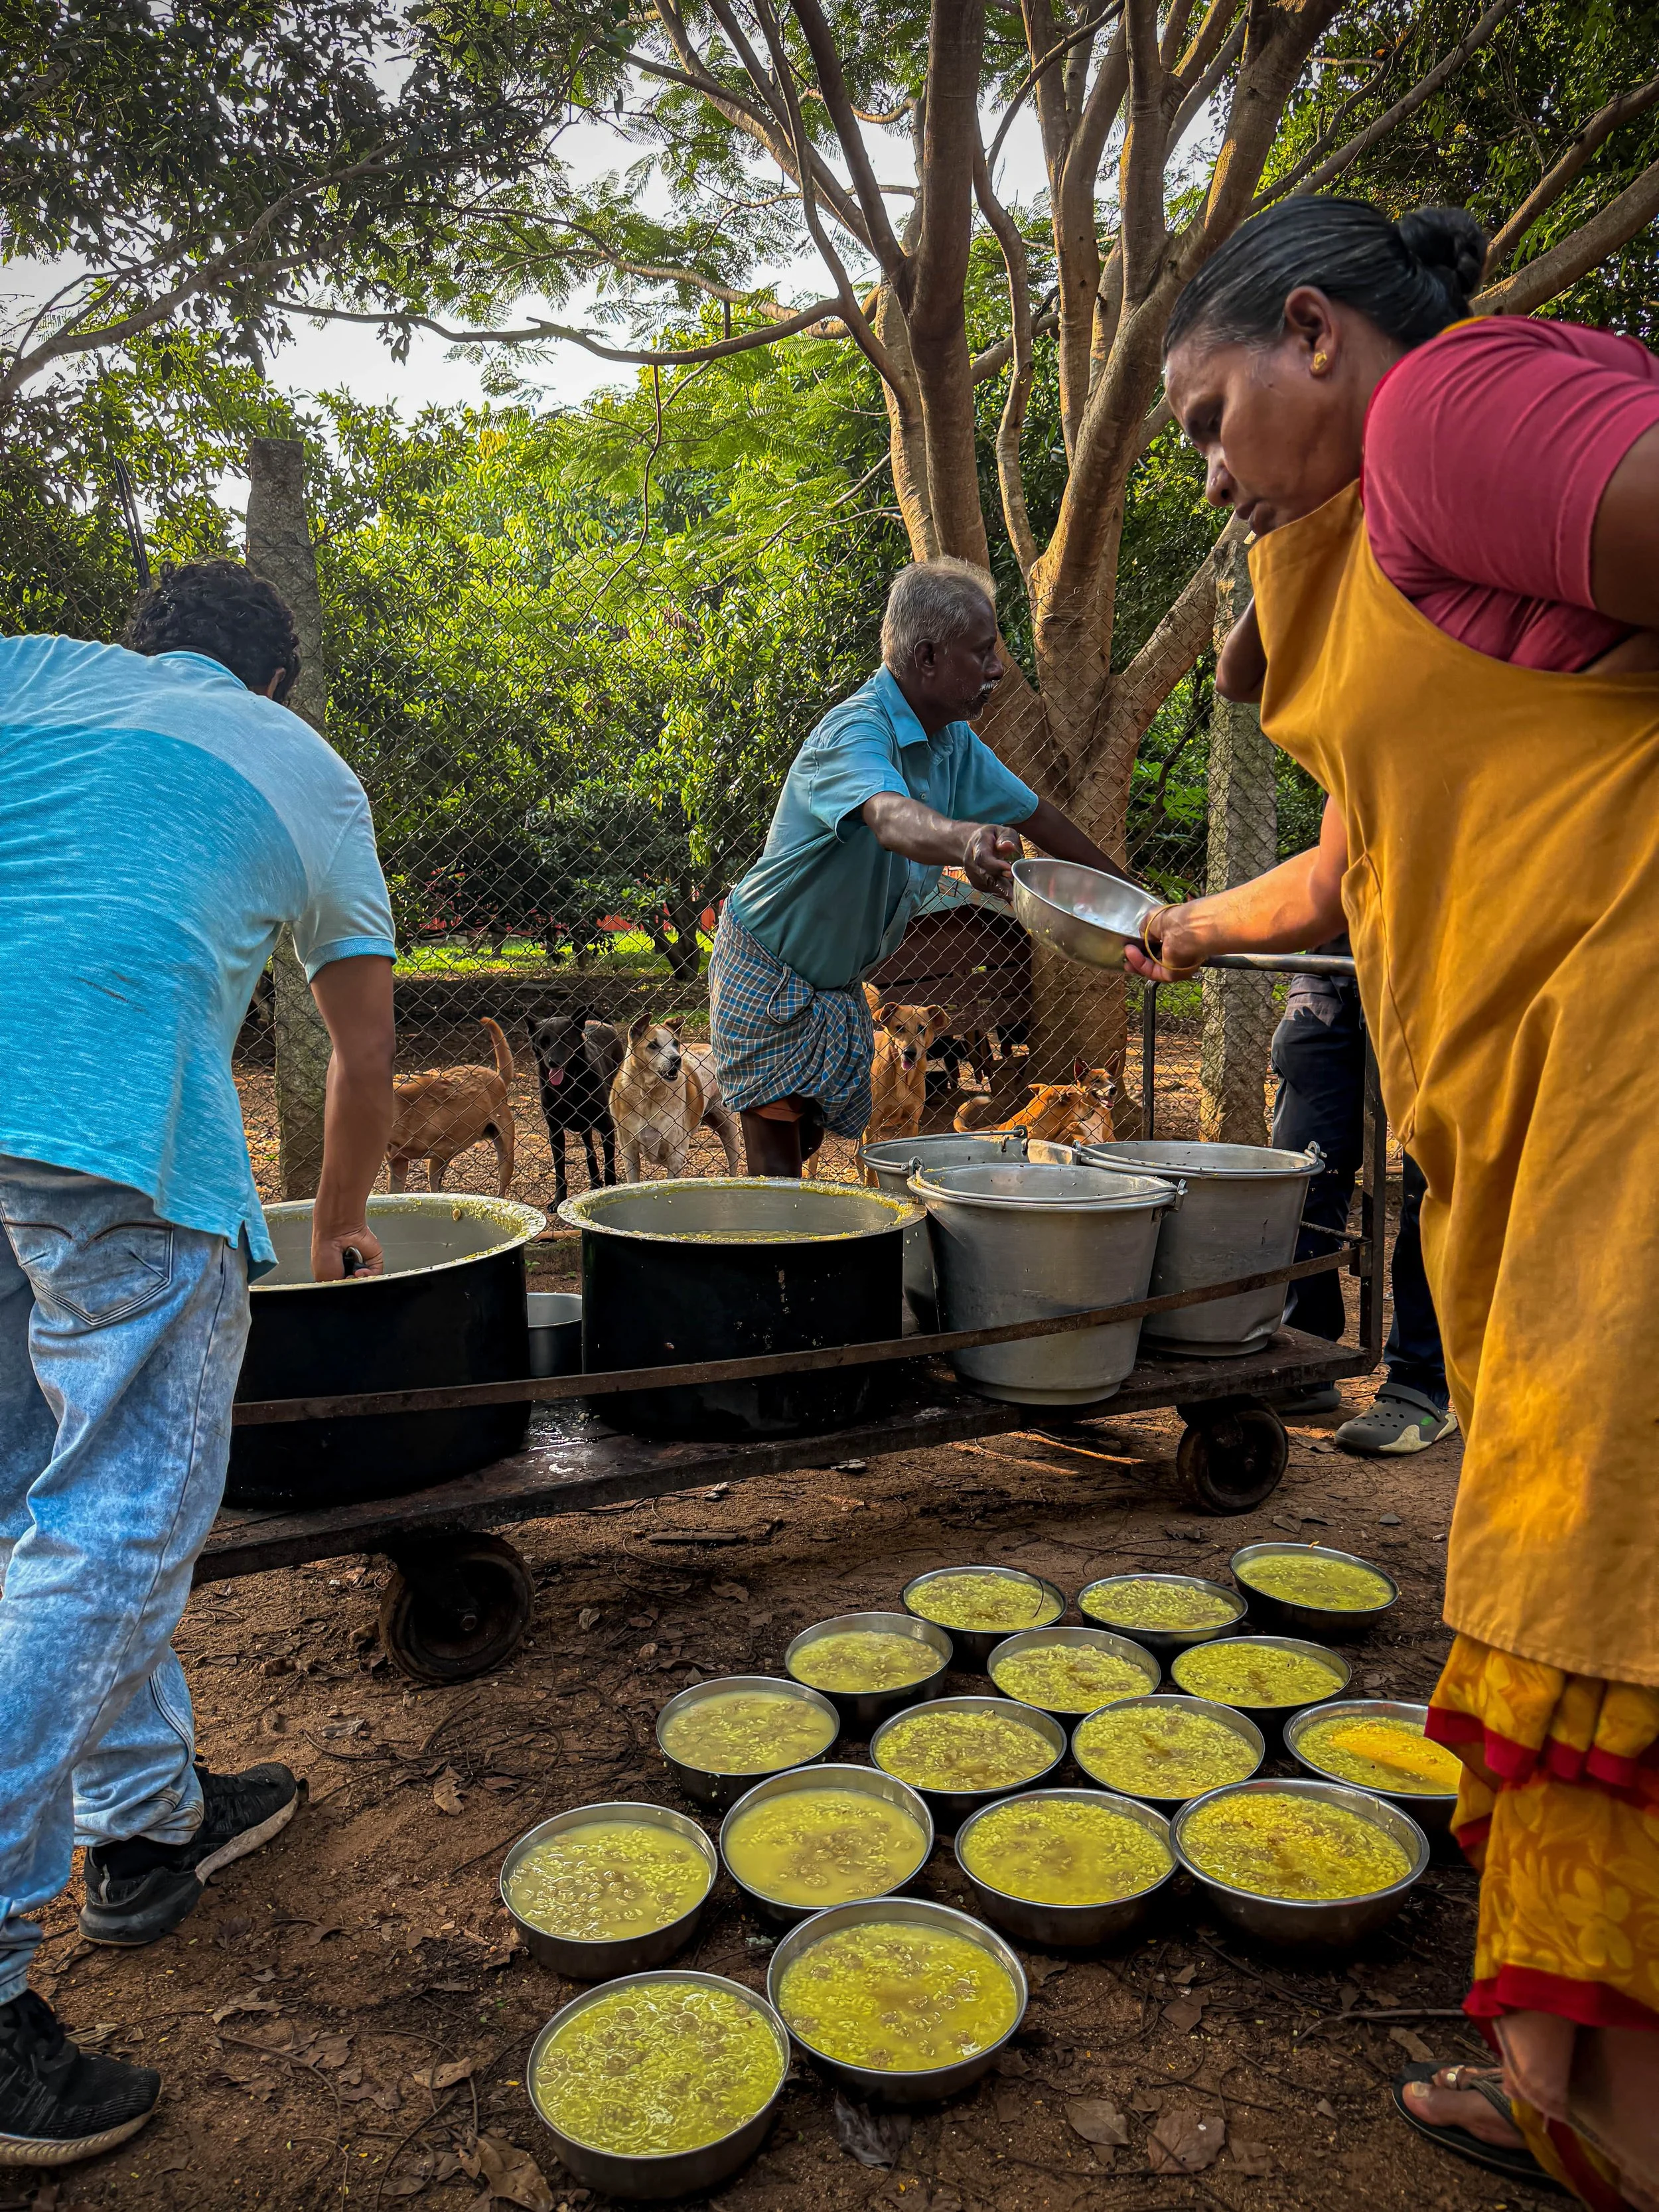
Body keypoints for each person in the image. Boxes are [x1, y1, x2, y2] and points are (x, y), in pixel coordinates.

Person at [1129, 198, 1659, 2207]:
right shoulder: (1387, 559)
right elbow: (1358, 864)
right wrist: (1177, 921)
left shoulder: (1451, 409)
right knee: (1556, 1561)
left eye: (1201, 418)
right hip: (1527, 1128)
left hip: (1622, 1074)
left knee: (1595, 1572)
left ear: (1312, 333)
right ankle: (1561, 2083)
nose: (1199, 468)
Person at [0, 561, 397, 2163]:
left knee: (42, 1498)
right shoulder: (304, 770)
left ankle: (148, 1825)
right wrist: (345, 1227)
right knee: (110, 1540)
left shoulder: (34, 671)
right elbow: (366, 1050)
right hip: (108, 1144)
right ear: (277, 686)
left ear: (141, 645)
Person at [710, 557, 1129, 1175]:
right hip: (771, 974)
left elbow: (1042, 819)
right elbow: (888, 815)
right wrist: (965, 842)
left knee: (801, 1150)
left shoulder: (951, 743)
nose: (997, 669)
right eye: (983, 652)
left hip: (832, 987)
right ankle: (766, 1264)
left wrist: (1143, 908)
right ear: (928, 657)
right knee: (778, 1182)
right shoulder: (854, 733)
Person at [1271, 932, 1456, 1454]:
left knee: (1434, 1187)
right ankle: (1305, 1356)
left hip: (1443, 973)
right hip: (1334, 969)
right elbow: (1325, 882)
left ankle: (1422, 1380)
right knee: (1300, 1173)